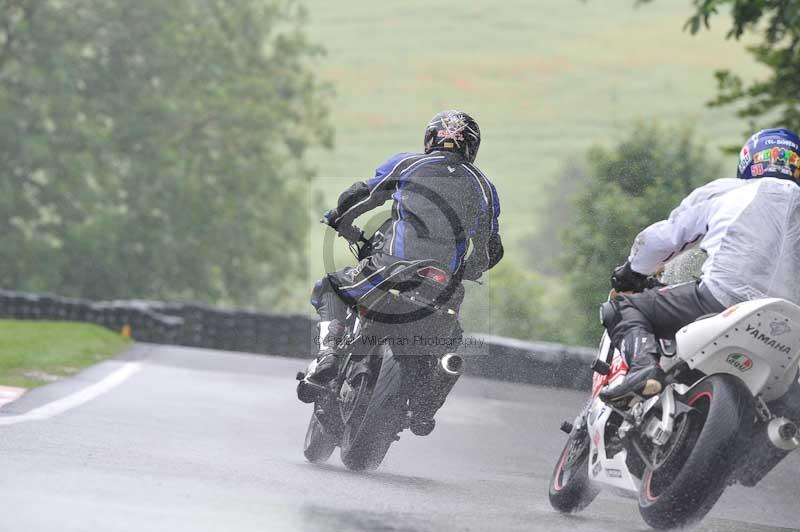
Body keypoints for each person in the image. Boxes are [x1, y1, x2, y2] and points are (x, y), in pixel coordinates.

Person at [301, 110, 503, 390]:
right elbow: (490, 248)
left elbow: (360, 195)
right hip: (443, 285)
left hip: (392, 267)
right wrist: (471, 270)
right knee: (448, 341)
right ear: (472, 147)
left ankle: (328, 355)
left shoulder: (409, 163)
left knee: (331, 288)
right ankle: (427, 396)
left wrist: (340, 218)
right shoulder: (484, 188)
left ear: (430, 138)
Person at [601, 127, 800, 404]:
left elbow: (663, 238)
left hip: (721, 299)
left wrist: (631, 273)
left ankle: (644, 368)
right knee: (787, 405)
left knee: (622, 308)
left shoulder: (729, 190)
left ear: (748, 162)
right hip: (791, 327)